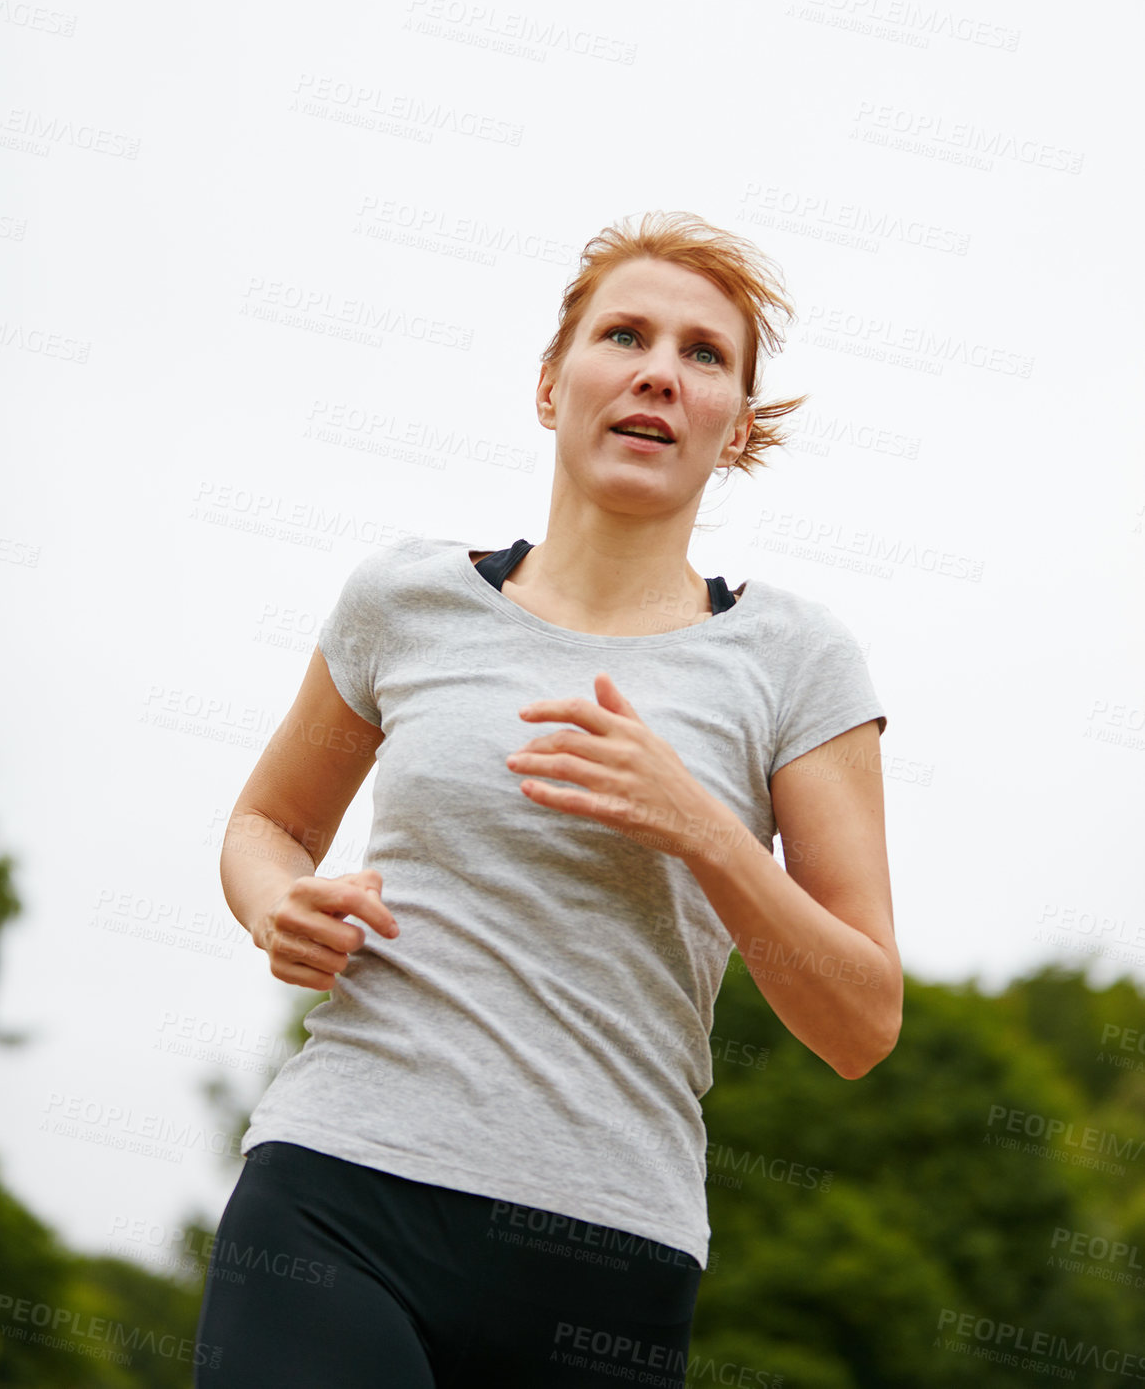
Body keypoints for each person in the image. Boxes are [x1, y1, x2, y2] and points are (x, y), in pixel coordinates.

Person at [193, 210, 901, 1388]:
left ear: (732, 429)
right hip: (338, 1192)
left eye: (702, 354)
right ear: (548, 385)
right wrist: (277, 906)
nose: (657, 373)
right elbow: (266, 825)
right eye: (623, 333)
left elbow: (860, 1021)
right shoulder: (402, 599)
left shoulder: (795, 659)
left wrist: (699, 826)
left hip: (609, 1257)